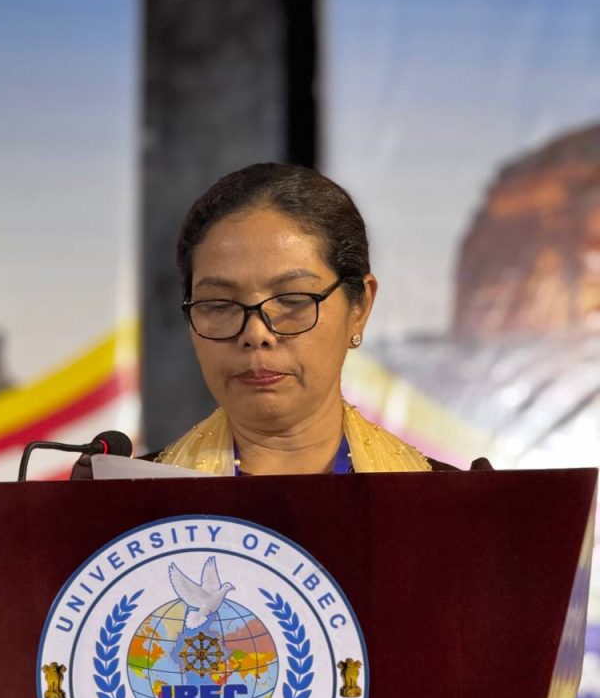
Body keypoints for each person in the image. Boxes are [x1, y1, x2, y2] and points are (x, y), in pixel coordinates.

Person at [152, 162, 487, 475]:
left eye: (292, 299)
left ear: (360, 308)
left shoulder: (449, 504)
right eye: (220, 304)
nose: (255, 333)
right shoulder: (132, 500)